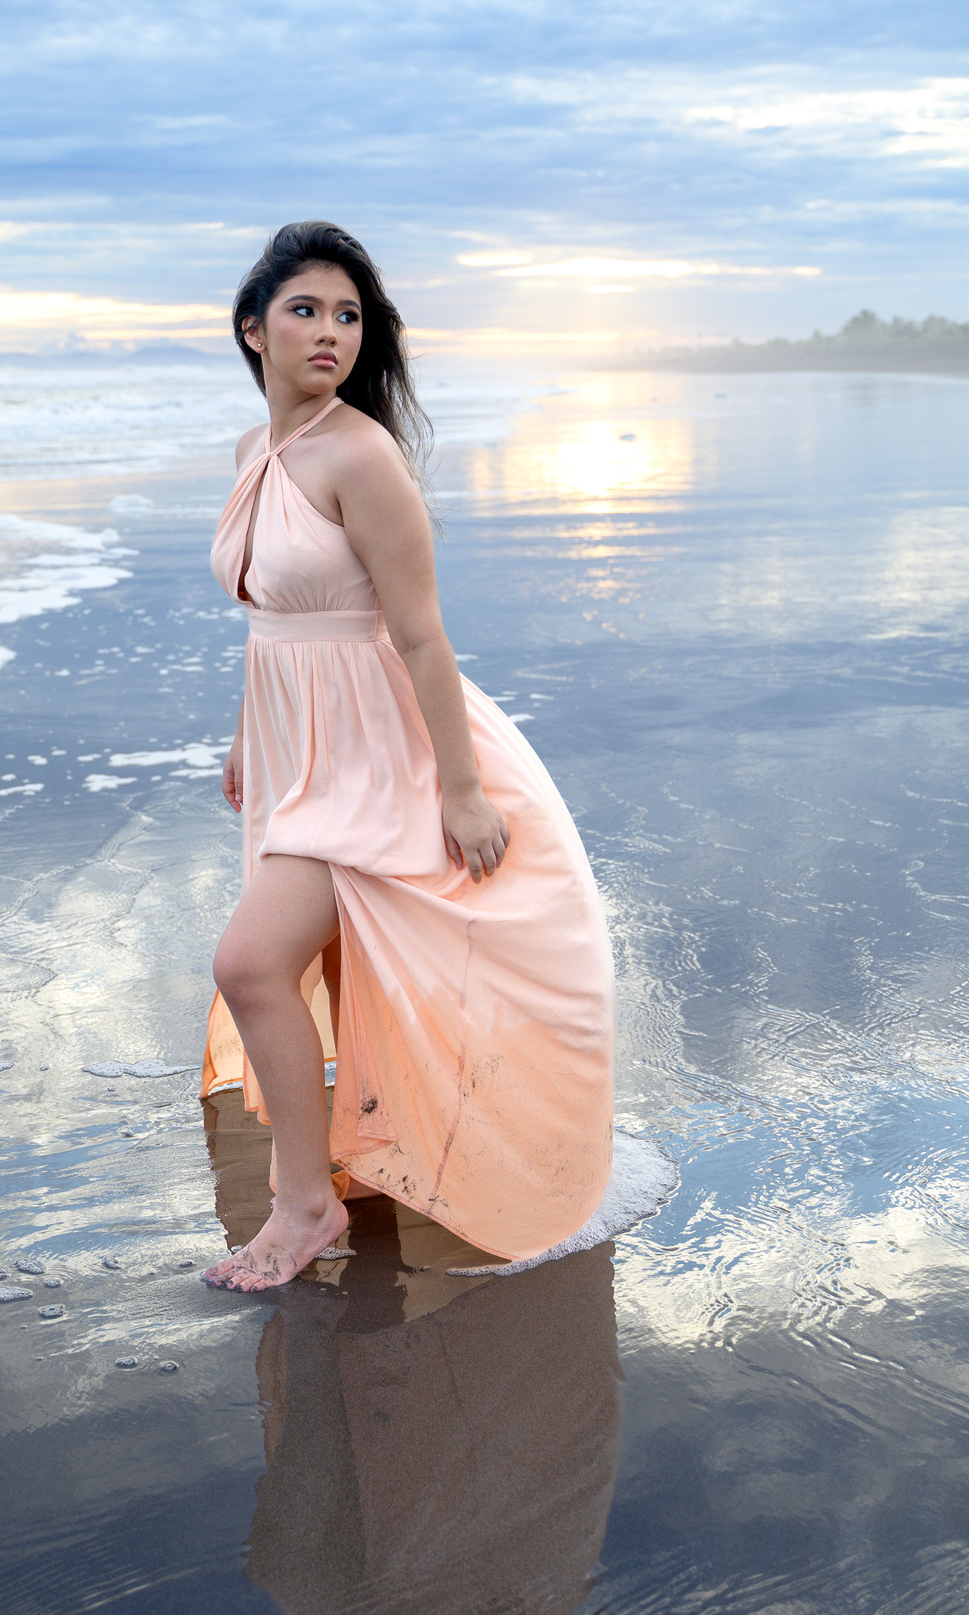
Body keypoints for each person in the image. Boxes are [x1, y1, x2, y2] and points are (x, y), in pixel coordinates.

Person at [200, 221, 617, 1291]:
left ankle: (305, 1209)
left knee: (249, 965)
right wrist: (250, 739)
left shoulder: (360, 452)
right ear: (253, 330)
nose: (329, 331)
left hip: (382, 752)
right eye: (304, 309)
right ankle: (357, 1158)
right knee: (340, 963)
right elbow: (274, 618)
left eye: (349, 315)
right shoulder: (258, 454)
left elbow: (418, 632)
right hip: (299, 746)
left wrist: (462, 791)